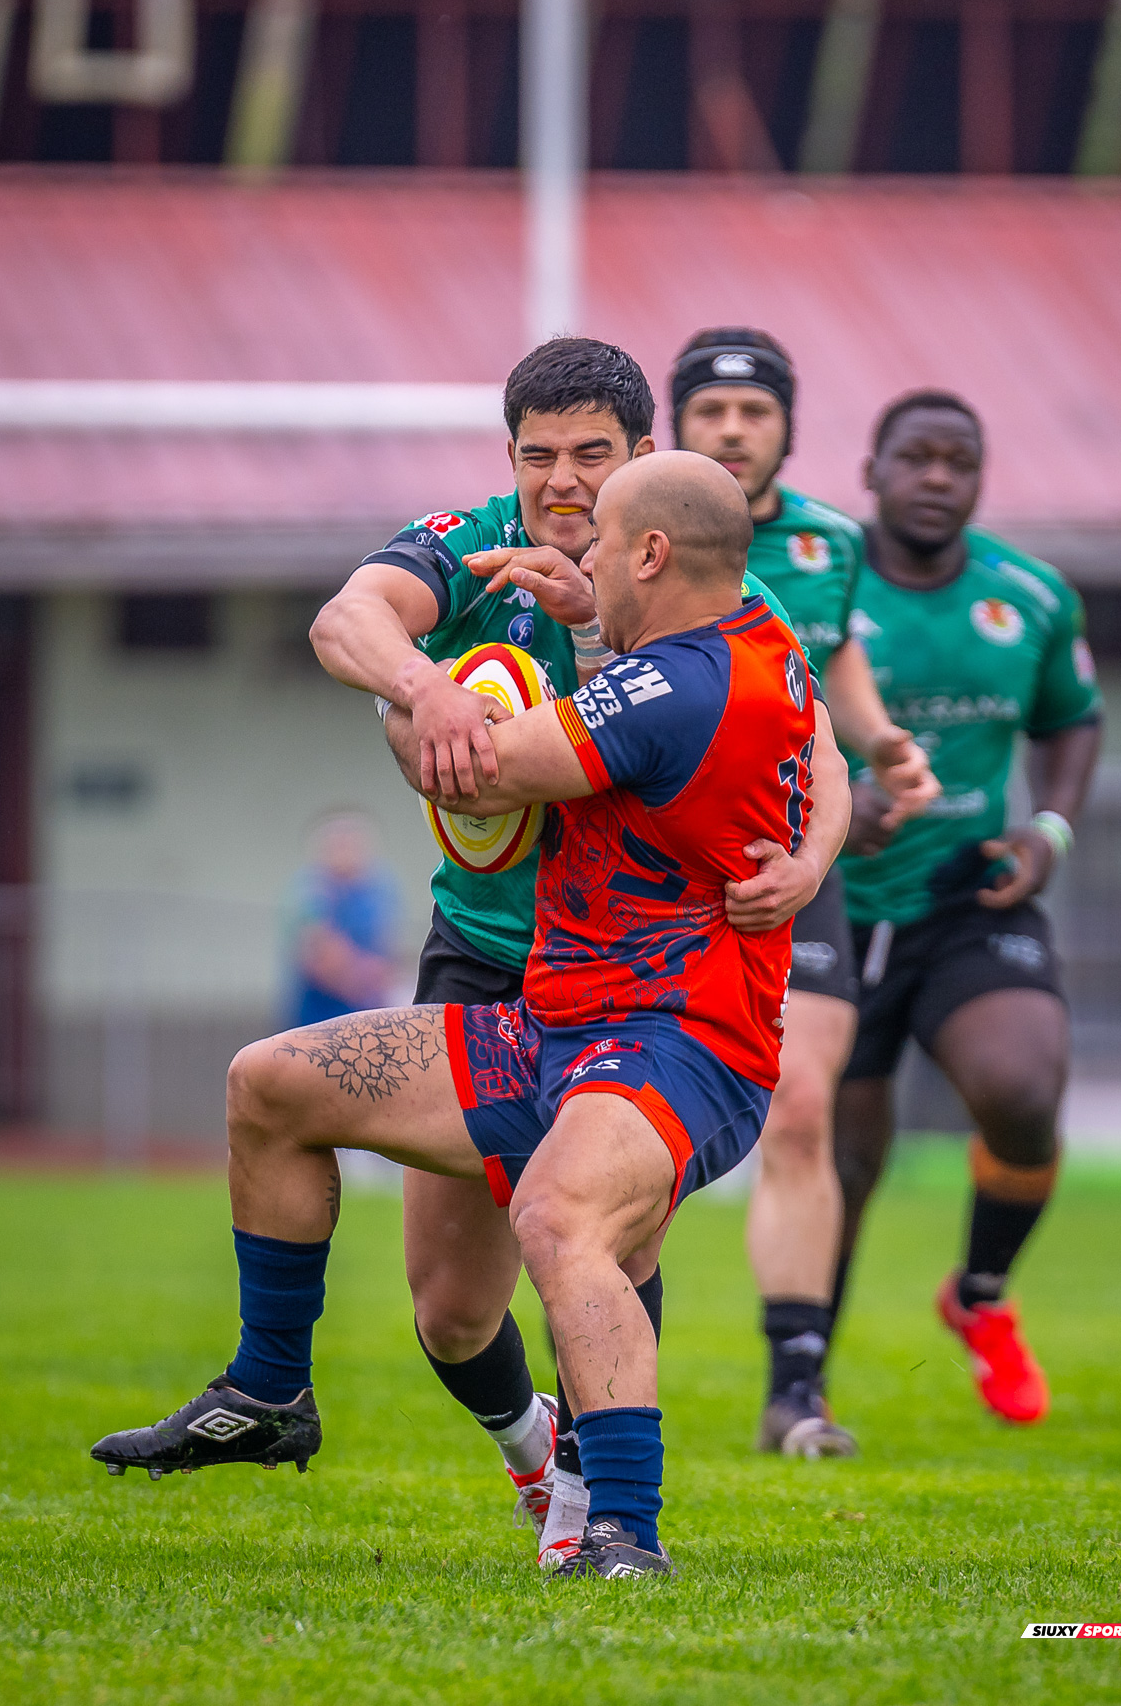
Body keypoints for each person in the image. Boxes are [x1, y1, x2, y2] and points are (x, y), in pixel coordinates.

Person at [89, 450, 852, 1580]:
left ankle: (623, 1534)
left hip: (681, 1040)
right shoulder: (762, 640)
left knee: (558, 1216)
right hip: (552, 1022)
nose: (584, 556)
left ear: (650, 552)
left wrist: (417, 692)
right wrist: (810, 850)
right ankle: (270, 1389)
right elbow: (823, 748)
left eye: (604, 540)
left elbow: (482, 773)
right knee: (270, 1084)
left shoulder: (675, 686)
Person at [298, 336, 824, 1565]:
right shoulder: (473, 542)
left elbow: (820, 747)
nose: (564, 480)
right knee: (449, 1305)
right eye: (539, 455)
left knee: (596, 1228)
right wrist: (425, 689)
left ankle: (603, 1506)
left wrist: (809, 861)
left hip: (640, 979)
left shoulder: (695, 573)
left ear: (643, 457)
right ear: (511, 458)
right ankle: (532, 1449)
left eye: (593, 454)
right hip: (487, 949)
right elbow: (346, 619)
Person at [670, 328, 938, 1458]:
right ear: (676, 425)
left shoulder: (833, 544)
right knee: (614, 1120)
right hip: (658, 867)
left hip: (796, 860)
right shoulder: (635, 533)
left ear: (787, 427)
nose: (733, 430)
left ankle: (797, 1388)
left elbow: (837, 667)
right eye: (711, 412)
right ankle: (590, 1385)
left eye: (755, 413)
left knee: (804, 1109)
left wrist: (885, 747)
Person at [828, 390, 1102, 1425]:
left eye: (959, 461)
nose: (937, 477)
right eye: (917, 457)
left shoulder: (1030, 596)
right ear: (872, 471)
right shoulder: (818, 585)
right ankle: (799, 1379)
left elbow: (1074, 719)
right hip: (834, 908)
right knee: (843, 1165)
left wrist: (1049, 830)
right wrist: (829, 804)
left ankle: (980, 1296)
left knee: (1024, 1089)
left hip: (969, 896)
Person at [282, 810, 401, 1028]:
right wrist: (364, 978)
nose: (346, 850)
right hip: (318, 1019)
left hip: (365, 1017)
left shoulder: (377, 891)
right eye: (338, 842)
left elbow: (387, 955)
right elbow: (319, 958)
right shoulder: (312, 893)